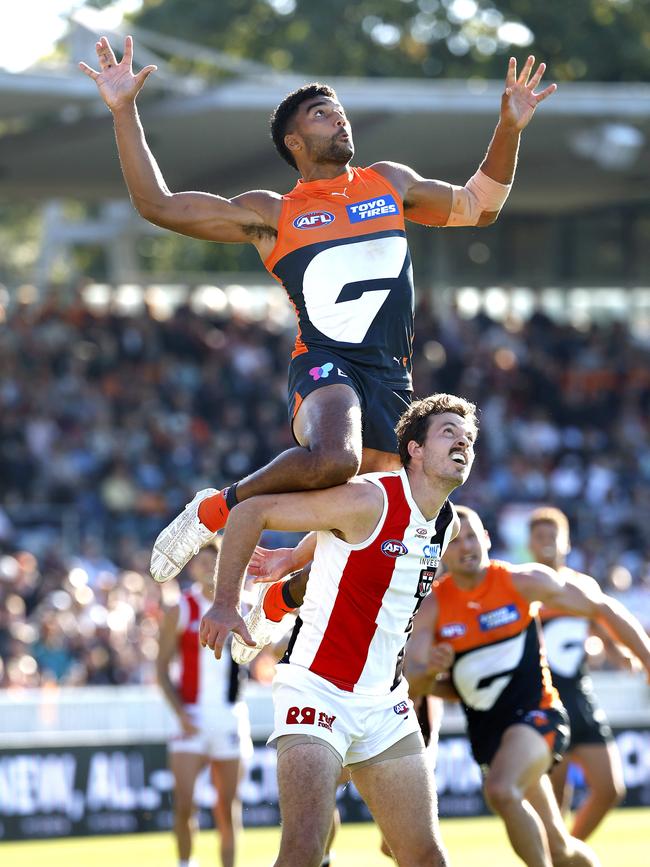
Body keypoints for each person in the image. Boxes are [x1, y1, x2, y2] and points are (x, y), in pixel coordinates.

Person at [79, 36, 556, 595]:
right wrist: (124, 109)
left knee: (375, 531)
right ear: (295, 141)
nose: (339, 120)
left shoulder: (390, 182)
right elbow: (157, 204)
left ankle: (281, 598)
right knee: (335, 457)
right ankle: (216, 510)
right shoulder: (271, 213)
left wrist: (510, 128)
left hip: (391, 377)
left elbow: (481, 206)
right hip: (326, 362)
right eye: (322, 114)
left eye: (340, 111)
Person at [199, 393, 478, 867]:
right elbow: (250, 513)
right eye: (448, 432)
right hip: (316, 690)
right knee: (304, 852)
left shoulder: (447, 525)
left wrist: (294, 557)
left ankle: (282, 596)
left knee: (427, 858)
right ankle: (276, 600)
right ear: (414, 449)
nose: (463, 444)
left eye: (469, 438)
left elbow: (355, 546)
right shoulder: (370, 496)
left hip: (385, 701)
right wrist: (225, 604)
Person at [406, 506, 650, 867]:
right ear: (440, 551)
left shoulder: (520, 582)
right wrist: (431, 670)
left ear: (487, 539)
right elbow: (413, 679)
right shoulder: (432, 606)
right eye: (454, 541)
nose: (465, 547)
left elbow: (602, 608)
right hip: (490, 733)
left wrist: (647, 660)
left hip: (538, 717)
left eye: (472, 536)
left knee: (501, 791)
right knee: (560, 848)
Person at [529, 507, 630, 840]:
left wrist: (616, 655)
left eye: (552, 536)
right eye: (539, 536)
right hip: (542, 700)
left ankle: (569, 852)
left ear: (566, 543)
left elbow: (600, 634)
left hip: (580, 695)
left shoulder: (582, 585)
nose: (546, 543)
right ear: (530, 543)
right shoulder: (521, 586)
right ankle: (557, 856)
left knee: (609, 788)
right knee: (556, 798)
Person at [156, 545, 252, 867]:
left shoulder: (244, 606)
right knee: (184, 804)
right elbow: (161, 668)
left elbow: (263, 650)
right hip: (192, 718)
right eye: (201, 563)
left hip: (229, 717)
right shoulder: (181, 608)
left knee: (227, 807)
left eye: (214, 563)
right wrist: (180, 713)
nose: (207, 569)